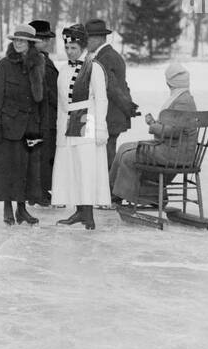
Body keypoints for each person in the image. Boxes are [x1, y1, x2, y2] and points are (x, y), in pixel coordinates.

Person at [110, 62, 198, 206]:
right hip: (171, 147)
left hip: (175, 153)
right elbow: (173, 127)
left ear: (169, 82)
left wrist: (153, 126)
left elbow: (175, 131)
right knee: (123, 148)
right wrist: (156, 123)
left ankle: (141, 195)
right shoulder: (181, 97)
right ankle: (114, 192)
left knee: (128, 157)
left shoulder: (183, 101)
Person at [0, 24, 46, 225]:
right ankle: (7, 207)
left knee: (28, 169)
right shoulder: (5, 64)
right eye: (16, 40)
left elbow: (41, 98)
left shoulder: (39, 63)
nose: (18, 44)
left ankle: (22, 209)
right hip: (9, 124)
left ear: (30, 44)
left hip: (32, 126)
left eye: (23, 41)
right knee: (7, 167)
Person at [51, 25, 109, 229]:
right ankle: (79, 211)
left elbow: (101, 100)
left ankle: (88, 214)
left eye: (73, 48)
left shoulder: (94, 68)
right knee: (72, 167)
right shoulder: (64, 69)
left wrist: (101, 128)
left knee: (86, 167)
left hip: (86, 119)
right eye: (67, 48)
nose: (69, 52)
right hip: (68, 120)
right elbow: (61, 102)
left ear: (83, 47)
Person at [83, 18, 138, 187]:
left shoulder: (105, 58)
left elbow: (112, 88)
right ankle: (107, 191)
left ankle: (107, 192)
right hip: (113, 115)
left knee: (107, 156)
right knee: (107, 154)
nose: (85, 43)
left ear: (99, 39)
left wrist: (127, 108)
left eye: (88, 39)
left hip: (109, 116)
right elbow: (122, 85)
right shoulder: (109, 55)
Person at [28, 19, 60, 206]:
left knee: (43, 152)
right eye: (43, 39)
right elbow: (45, 89)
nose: (47, 42)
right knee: (40, 152)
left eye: (47, 39)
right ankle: (37, 191)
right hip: (42, 114)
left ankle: (39, 190)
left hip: (47, 114)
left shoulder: (43, 58)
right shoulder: (36, 60)